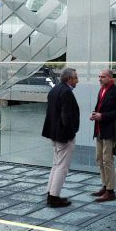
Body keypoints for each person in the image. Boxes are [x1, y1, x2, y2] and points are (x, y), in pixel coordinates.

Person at [41, 68, 80, 207]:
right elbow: (67, 117)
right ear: (69, 79)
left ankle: (50, 193)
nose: (77, 81)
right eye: (76, 78)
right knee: (62, 167)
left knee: (56, 165)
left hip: (54, 133)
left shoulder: (55, 90)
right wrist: (71, 133)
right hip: (63, 136)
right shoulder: (66, 92)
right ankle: (54, 197)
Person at [90, 69, 116, 202]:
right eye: (99, 76)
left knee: (107, 160)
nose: (100, 79)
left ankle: (110, 191)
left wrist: (102, 116)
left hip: (110, 130)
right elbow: (101, 108)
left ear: (110, 78)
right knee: (99, 159)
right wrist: (95, 114)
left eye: (103, 77)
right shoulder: (101, 90)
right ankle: (105, 186)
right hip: (100, 129)